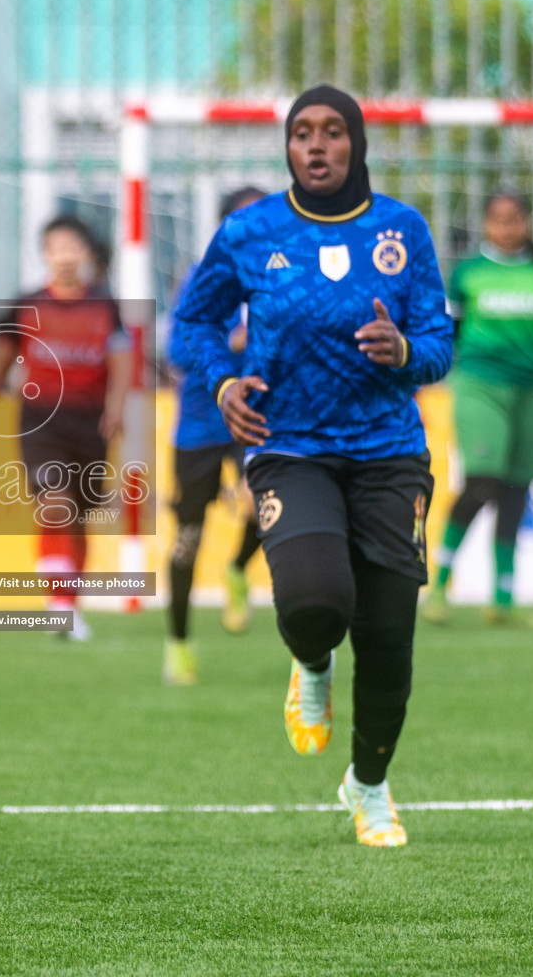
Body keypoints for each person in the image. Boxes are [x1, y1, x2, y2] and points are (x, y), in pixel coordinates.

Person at [174, 85, 453, 847]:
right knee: (315, 602)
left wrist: (405, 353)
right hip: (288, 444)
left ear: (356, 144)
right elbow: (193, 320)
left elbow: (438, 340)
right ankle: (313, 665)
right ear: (287, 148)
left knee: (390, 632)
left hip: (390, 452)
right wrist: (222, 382)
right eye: (303, 134)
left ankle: (367, 787)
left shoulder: (402, 229)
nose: (318, 146)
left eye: (334, 132)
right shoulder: (250, 231)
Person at [422, 191, 533, 627]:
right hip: (480, 386)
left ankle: (502, 599)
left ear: (526, 222)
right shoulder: (469, 273)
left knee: (517, 489)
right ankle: (439, 586)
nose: (507, 228)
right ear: (486, 224)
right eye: (498, 220)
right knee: (483, 482)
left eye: (514, 219)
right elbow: (448, 333)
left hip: (531, 390)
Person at [0, 216, 131, 642]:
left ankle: (68, 607)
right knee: (55, 507)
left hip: (89, 424)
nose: (65, 256)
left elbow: (122, 360)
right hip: (41, 420)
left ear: (87, 255)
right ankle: (59, 607)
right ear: (45, 255)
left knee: (78, 519)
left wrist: (115, 407)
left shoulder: (105, 307)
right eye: (57, 247)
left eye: (73, 247)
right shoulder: (27, 305)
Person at [161, 187, 268, 686]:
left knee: (269, 505)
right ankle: (179, 644)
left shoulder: (286, 277)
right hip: (202, 426)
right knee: (188, 539)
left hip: (258, 420)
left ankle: (239, 568)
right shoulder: (201, 280)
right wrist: (231, 346)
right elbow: (178, 356)